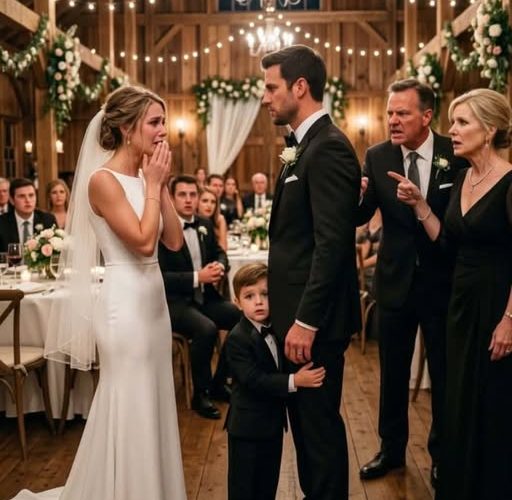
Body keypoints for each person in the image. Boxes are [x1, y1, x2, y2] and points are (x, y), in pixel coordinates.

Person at [12, 86, 187, 500]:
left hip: (154, 305)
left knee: (155, 397)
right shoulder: (102, 181)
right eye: (155, 122)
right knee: (129, 400)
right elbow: (142, 243)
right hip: (124, 307)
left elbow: (174, 241)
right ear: (127, 128)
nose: (164, 131)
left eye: (164, 122)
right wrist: (152, 184)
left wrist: (159, 185)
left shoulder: (145, 178)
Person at [389, 88, 512, 500]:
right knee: (458, 401)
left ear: (489, 130)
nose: (452, 130)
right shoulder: (462, 178)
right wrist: (420, 205)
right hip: (459, 305)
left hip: (497, 306)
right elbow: (448, 242)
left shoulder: (510, 182)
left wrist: (509, 320)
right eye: (453, 121)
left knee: (493, 404)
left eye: (462, 122)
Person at [262, 45, 361, 500]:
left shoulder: (328, 148)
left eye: (272, 87)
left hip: (314, 323)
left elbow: (332, 246)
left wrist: (305, 320)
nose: (265, 97)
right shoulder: (303, 147)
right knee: (305, 427)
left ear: (299, 87)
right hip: (298, 318)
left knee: (318, 431)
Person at [357, 78, 468, 487]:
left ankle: (442, 456)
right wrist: (356, 195)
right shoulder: (377, 155)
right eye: (390, 112)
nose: (393, 120)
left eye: (402, 113)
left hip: (443, 282)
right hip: (394, 281)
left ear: (426, 116)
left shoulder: (453, 153)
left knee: (443, 374)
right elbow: (361, 215)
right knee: (392, 373)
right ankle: (391, 450)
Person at [225, 262, 326, 500]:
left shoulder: (278, 330)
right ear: (237, 302)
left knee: (267, 485)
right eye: (249, 296)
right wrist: (295, 381)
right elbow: (253, 380)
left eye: (265, 294)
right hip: (247, 428)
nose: (258, 302)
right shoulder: (237, 338)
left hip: (272, 426)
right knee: (244, 488)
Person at [158, 174, 240, 420]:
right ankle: (200, 394)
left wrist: (220, 266)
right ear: (172, 198)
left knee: (242, 318)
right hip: (176, 303)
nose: (188, 200)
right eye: (182, 194)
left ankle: (220, 382)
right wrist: (197, 277)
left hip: (206, 298)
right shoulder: (161, 229)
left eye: (193, 194)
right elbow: (160, 277)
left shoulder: (204, 223)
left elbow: (220, 253)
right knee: (207, 329)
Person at [0, 178, 56, 252]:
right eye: (22, 196)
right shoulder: (2, 223)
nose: (28, 200)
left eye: (31, 195)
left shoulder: (47, 220)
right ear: (12, 200)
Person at [197, 186, 228, 251]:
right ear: (197, 203)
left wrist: (222, 222)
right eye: (205, 201)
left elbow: (223, 250)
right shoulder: (192, 223)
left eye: (213, 202)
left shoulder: (216, 222)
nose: (209, 205)